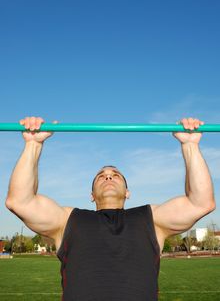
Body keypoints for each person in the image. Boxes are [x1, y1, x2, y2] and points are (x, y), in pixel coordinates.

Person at [5, 117, 215, 301]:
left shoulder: (151, 219)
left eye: (115, 174)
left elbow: (201, 202)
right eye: (101, 175)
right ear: (91, 195)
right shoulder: (68, 220)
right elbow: (20, 201)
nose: (108, 176)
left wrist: (190, 146)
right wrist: (33, 144)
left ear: (127, 192)